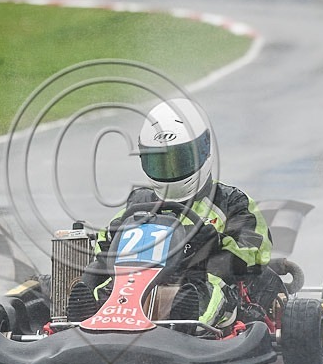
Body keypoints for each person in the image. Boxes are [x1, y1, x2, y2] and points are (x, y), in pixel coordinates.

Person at [67, 98, 279, 329]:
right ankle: (88, 317)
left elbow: (255, 248)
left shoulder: (230, 202)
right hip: (138, 282)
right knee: (107, 279)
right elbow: (105, 239)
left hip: (198, 279)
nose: (170, 170)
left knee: (207, 284)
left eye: (180, 160)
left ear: (203, 150)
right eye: (160, 162)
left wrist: (212, 245)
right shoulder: (140, 202)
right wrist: (113, 242)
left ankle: (188, 322)